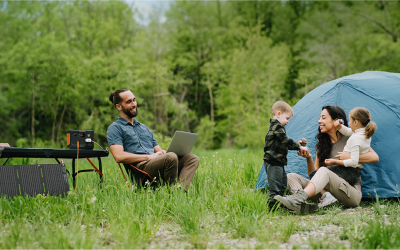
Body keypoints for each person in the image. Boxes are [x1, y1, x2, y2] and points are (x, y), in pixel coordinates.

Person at [274, 106, 379, 214]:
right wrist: (309, 158)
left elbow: (374, 157)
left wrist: (349, 156)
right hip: (327, 195)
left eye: (323, 117)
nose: (319, 121)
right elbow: (314, 175)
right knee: (291, 176)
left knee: (324, 171)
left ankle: (296, 200)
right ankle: (301, 205)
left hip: (350, 193)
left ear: (336, 120)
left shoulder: (351, 137)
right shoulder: (322, 146)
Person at [106, 89, 199, 191]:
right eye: (129, 102)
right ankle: (170, 192)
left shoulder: (143, 128)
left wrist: (163, 152)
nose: (134, 104)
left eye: (134, 100)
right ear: (118, 106)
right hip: (140, 168)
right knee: (171, 157)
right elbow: (119, 156)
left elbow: (158, 150)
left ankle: (180, 191)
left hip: (154, 163)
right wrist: (148, 157)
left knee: (192, 159)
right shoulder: (115, 128)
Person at [263, 101, 308, 206]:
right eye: (287, 118)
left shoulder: (278, 127)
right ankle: (272, 206)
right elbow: (286, 140)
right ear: (278, 114)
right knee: (275, 186)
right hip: (273, 161)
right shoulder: (276, 127)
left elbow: (285, 143)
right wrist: (299, 146)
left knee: (283, 184)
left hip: (279, 161)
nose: (288, 121)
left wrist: (297, 144)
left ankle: (281, 204)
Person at [324, 107, 377, 186]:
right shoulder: (363, 134)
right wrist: (339, 126)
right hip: (354, 171)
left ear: (355, 122)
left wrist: (334, 161)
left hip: (349, 170)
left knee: (319, 174)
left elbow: (353, 162)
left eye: (350, 120)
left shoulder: (356, 138)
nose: (348, 123)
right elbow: (348, 131)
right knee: (323, 174)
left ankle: (329, 195)